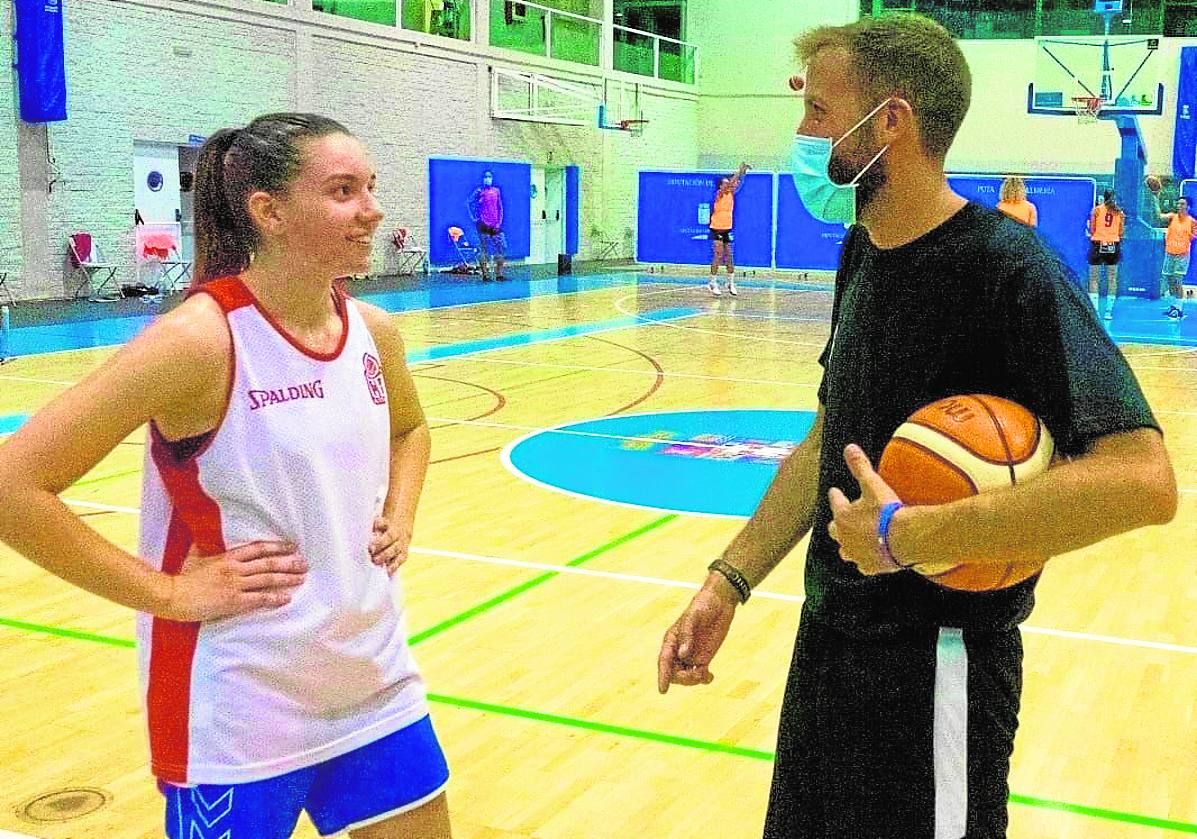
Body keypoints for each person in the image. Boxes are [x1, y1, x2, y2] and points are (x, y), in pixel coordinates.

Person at [656, 15, 1176, 839]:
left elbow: (1143, 481)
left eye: (819, 113)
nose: (801, 135)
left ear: (888, 121)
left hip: (940, 665)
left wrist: (911, 532)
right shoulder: (861, 250)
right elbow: (832, 433)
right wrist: (730, 579)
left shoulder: (1009, 269)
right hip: (828, 642)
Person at [0, 113, 452, 839]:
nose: (371, 208)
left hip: (373, 677)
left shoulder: (374, 329)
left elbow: (410, 428)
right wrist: (169, 592)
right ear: (267, 211)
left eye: (370, 187)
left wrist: (400, 512)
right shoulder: (198, 339)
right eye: (343, 190)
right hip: (241, 702)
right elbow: (12, 485)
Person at [708, 162, 752, 297]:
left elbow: (736, 181)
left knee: (729, 257)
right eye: (726, 183)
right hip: (716, 228)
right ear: (721, 186)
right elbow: (733, 181)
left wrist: (743, 171)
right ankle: (712, 282)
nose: (729, 185)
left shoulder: (731, 194)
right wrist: (739, 170)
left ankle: (730, 282)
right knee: (718, 255)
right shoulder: (719, 194)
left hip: (727, 228)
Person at [1088, 189, 1125, 321]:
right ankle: (1108, 312)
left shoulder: (1097, 210)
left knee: (1094, 278)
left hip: (1098, 243)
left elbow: (1092, 229)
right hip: (1113, 244)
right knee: (1112, 278)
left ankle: (1095, 311)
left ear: (1103, 198)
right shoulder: (1120, 213)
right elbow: (1121, 233)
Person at [1157, 195, 1195, 320]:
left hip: (1182, 255)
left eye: (1182, 204)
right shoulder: (1172, 217)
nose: (1179, 206)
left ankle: (1179, 309)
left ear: (1188, 207)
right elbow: (1159, 216)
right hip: (1169, 253)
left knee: (1177, 281)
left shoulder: (1192, 222)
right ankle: (1174, 306)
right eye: (1178, 204)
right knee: (1170, 281)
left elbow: (1193, 236)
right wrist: (1155, 197)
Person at [467, 170, 507, 281]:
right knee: (484, 250)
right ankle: (485, 275)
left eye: (489, 177)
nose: (487, 179)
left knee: (502, 247)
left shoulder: (496, 191)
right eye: (485, 177)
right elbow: (468, 203)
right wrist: (474, 218)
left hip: (495, 225)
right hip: (483, 224)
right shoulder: (479, 191)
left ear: (492, 178)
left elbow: (500, 208)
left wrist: (499, 223)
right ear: (482, 179)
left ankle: (499, 274)